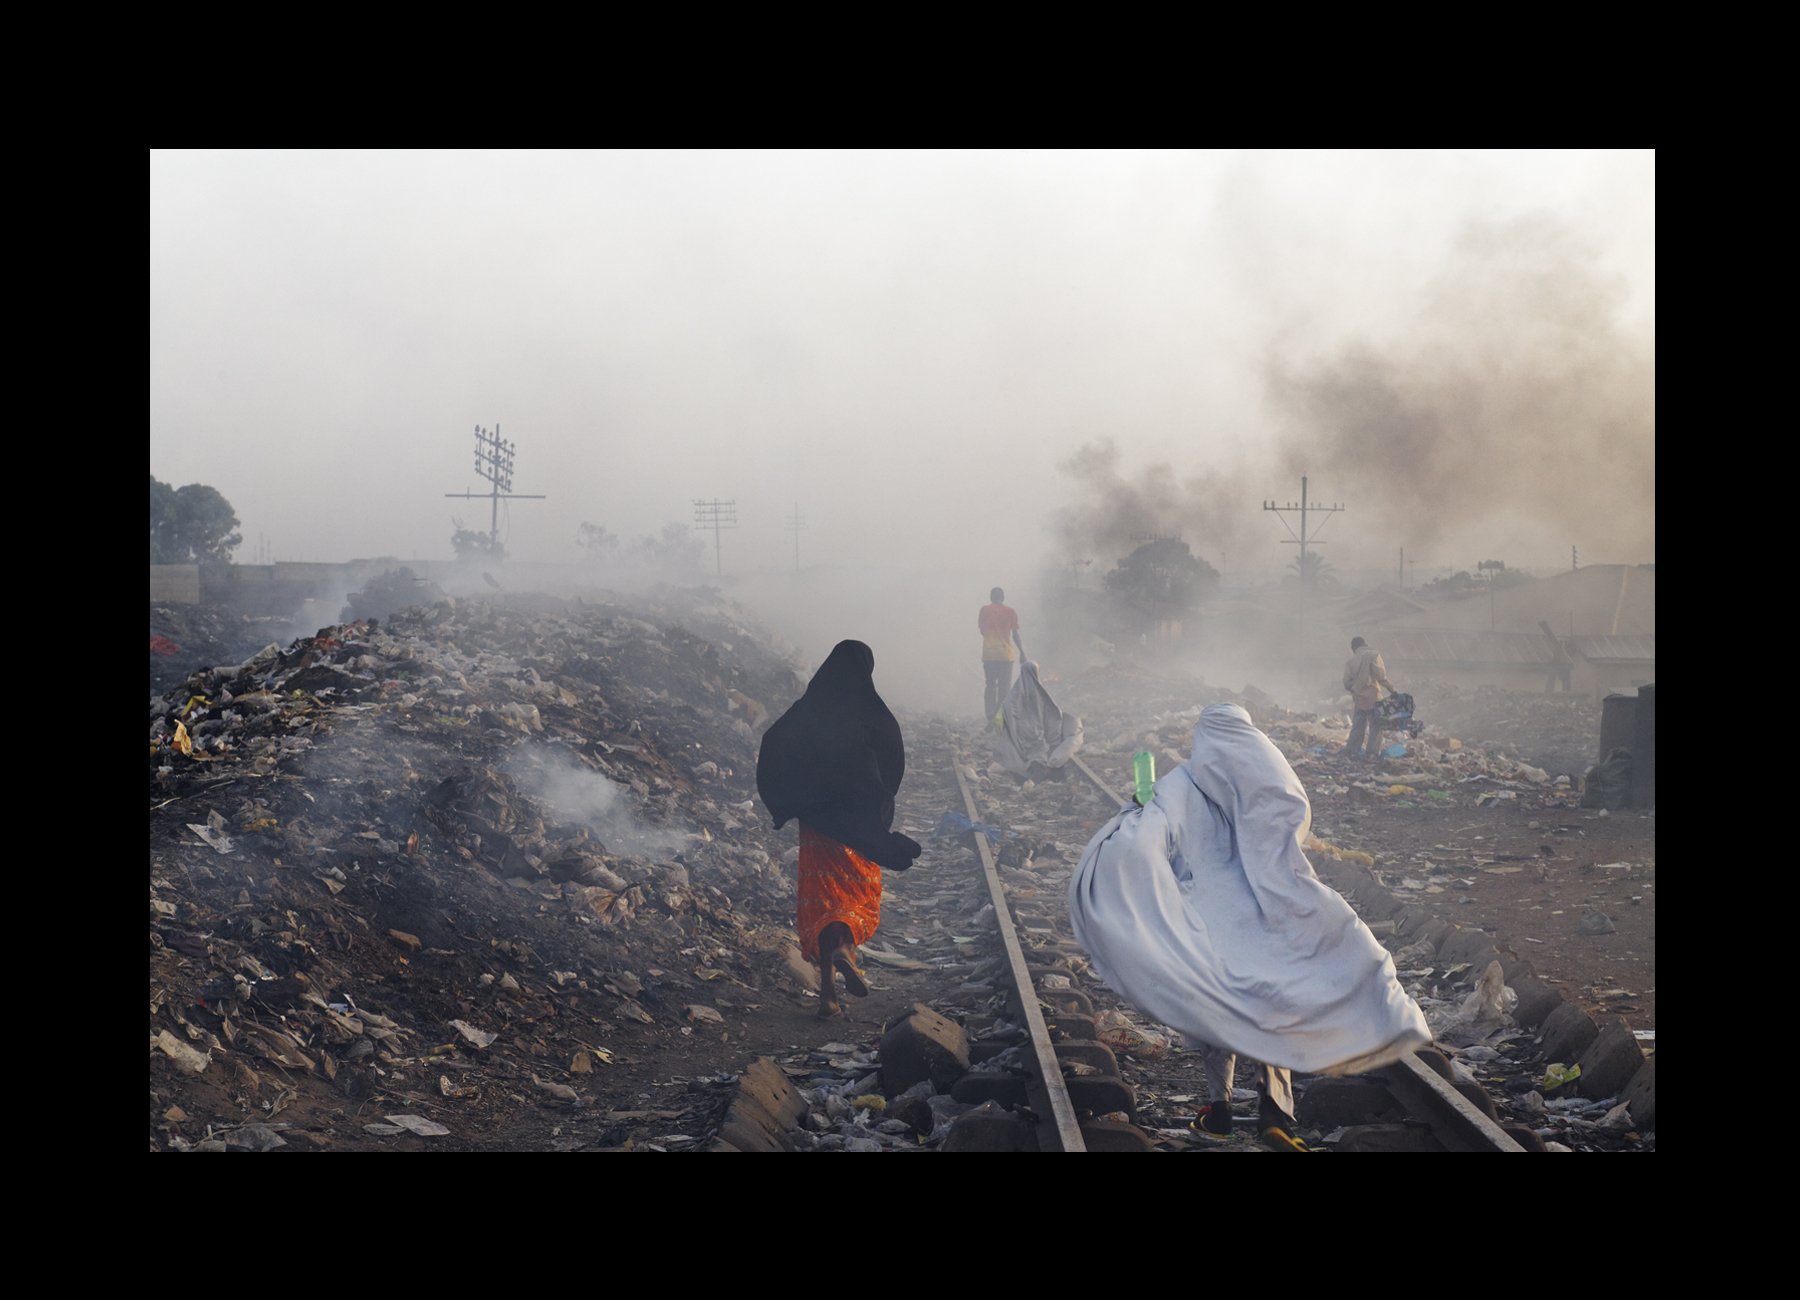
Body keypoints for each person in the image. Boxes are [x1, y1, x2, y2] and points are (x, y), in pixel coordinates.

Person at [1068, 702, 1430, 1150]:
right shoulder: (1264, 778)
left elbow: (1149, 836)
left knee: (1217, 1008)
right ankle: (1276, 1116)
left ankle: (1218, 1112)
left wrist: (1131, 825)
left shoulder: (1179, 786)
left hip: (1207, 918)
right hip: (1266, 913)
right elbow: (1290, 822)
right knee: (1272, 1005)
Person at [757, 640, 923, 1018]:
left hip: (816, 822)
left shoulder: (806, 711)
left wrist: (787, 802)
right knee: (855, 894)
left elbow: (774, 744)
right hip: (858, 823)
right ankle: (846, 952)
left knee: (823, 898)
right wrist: (879, 806)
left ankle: (828, 995)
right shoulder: (873, 713)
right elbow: (892, 760)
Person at [1343, 636, 1397, 760]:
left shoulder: (1350, 662)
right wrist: (1392, 690)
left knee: (1358, 726)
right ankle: (1371, 753)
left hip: (1359, 699)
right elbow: (1381, 677)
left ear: (1353, 648)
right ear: (1365, 644)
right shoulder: (1373, 655)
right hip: (1374, 697)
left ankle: (1352, 751)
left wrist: (1356, 689)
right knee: (1376, 726)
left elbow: (1346, 683)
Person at [978, 587, 1024, 725]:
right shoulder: (1010, 612)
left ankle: (990, 716)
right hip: (1005, 655)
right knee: (1004, 688)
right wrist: (1022, 652)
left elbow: (982, 631)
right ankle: (999, 718)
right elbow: (1015, 634)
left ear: (991, 597)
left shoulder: (984, 610)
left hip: (989, 654)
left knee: (990, 685)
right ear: (1003, 597)